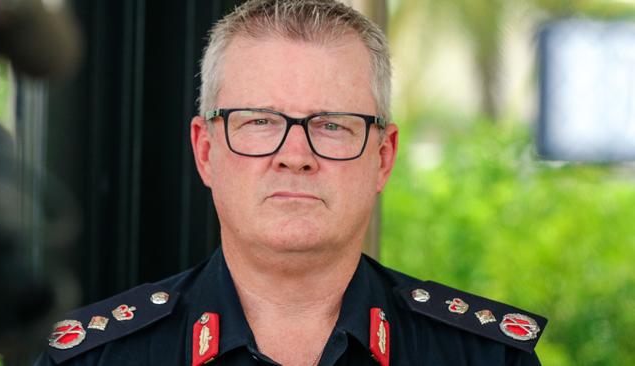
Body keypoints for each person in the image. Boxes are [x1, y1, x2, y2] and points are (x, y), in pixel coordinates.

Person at [34, 0, 547, 365]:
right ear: (206, 151)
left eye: (331, 124)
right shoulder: (96, 357)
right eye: (259, 121)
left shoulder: (485, 356)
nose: (295, 156)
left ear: (383, 157)